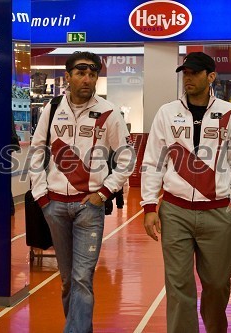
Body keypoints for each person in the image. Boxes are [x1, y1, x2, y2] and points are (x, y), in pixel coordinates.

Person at [140, 52, 231, 333]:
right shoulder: (168, 113)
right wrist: (150, 206)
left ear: (210, 76)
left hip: (218, 213)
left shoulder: (230, 113)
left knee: (217, 284)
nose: (187, 78)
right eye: (185, 73)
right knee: (178, 286)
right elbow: (153, 160)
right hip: (175, 211)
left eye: (194, 73)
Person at [29, 51, 135, 332]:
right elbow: (37, 152)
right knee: (67, 280)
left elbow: (127, 158)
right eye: (81, 73)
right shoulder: (51, 110)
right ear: (68, 76)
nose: (87, 79)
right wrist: (42, 197)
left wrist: (104, 193)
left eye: (92, 74)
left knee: (82, 278)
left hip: (89, 207)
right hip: (55, 207)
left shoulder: (109, 112)